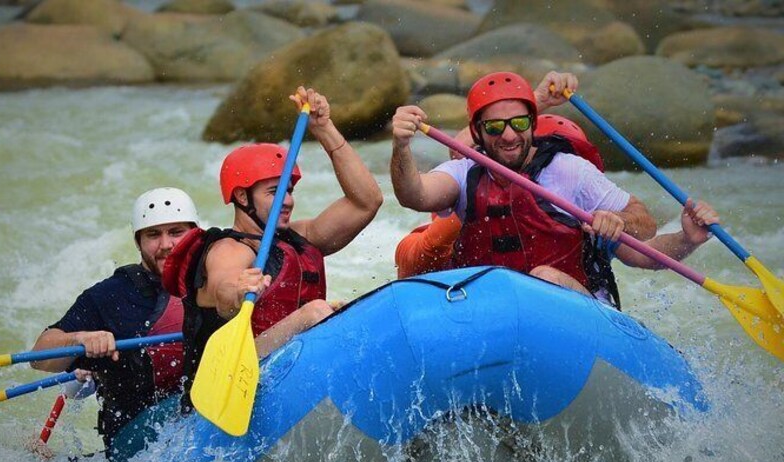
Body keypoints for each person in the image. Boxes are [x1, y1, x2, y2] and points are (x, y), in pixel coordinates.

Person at [164, 86, 383, 412]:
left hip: (292, 375)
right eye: (275, 191)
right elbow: (224, 291)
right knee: (316, 313)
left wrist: (325, 129)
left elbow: (367, 201)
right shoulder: (229, 249)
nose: (289, 200)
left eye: (290, 190)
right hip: (230, 391)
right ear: (242, 197)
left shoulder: (302, 237)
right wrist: (236, 290)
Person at [390, 71, 657, 307]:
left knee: (545, 277)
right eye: (494, 128)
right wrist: (401, 146)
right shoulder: (465, 172)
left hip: (577, 312)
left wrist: (619, 221)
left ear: (533, 124)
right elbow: (414, 195)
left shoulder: (571, 171)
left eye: (519, 124)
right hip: (494, 307)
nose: (508, 135)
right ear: (478, 132)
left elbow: (645, 231)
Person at [28, 187, 199, 461]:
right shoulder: (111, 295)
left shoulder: (216, 278)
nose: (166, 244)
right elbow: (39, 357)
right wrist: (80, 339)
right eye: (153, 234)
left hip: (196, 417)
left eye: (176, 232)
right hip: (135, 445)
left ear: (194, 234)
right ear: (138, 241)